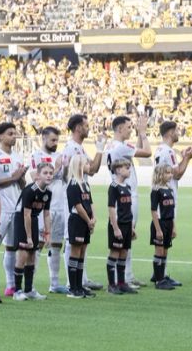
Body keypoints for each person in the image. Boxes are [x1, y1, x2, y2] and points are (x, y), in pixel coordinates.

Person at [61, 114, 106, 292]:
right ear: (78, 128)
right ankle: (71, 282)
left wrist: (100, 149)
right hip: (72, 198)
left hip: (82, 193)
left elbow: (92, 169)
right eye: (86, 125)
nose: (88, 128)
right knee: (72, 240)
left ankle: (81, 280)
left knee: (82, 241)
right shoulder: (71, 148)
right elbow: (67, 174)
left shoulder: (79, 148)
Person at [108, 112, 153, 288]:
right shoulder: (120, 147)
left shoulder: (118, 146)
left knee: (128, 235)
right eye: (128, 127)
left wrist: (140, 136)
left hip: (126, 192)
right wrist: (143, 133)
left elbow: (138, 151)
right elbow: (147, 152)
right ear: (119, 128)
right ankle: (123, 277)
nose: (131, 129)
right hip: (126, 195)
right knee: (126, 235)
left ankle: (127, 274)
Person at [30, 126, 68, 294]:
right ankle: (29, 284)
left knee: (56, 245)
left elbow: (65, 179)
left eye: (57, 140)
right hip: (44, 206)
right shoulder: (36, 156)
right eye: (52, 140)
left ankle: (54, 283)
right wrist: (57, 167)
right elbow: (35, 177)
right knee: (38, 244)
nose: (55, 143)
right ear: (43, 138)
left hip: (60, 205)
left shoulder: (59, 156)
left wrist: (64, 169)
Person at [0, 122, 28, 297]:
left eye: (15, 133)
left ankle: (11, 285)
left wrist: (21, 177)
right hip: (1, 207)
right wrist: (13, 177)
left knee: (12, 247)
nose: (14, 136)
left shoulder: (18, 157)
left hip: (17, 207)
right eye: (10, 133)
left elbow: (22, 184)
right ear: (0, 136)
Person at [12, 161, 53, 301]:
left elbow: (46, 214)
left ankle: (29, 290)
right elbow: (26, 214)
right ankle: (17, 291)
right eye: (45, 173)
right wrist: (28, 237)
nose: (49, 176)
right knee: (23, 255)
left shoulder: (48, 193)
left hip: (33, 220)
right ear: (37, 176)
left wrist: (48, 234)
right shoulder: (30, 190)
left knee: (32, 256)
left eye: (51, 173)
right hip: (21, 220)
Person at [65, 154, 96, 297]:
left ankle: (79, 286)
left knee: (82, 253)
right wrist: (88, 220)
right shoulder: (73, 184)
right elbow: (78, 206)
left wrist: (93, 218)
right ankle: (73, 288)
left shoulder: (85, 183)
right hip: (77, 221)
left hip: (86, 222)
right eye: (87, 164)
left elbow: (90, 203)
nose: (89, 166)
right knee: (75, 252)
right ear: (79, 165)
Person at [106, 158, 137, 295]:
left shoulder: (127, 187)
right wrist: (116, 228)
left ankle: (121, 283)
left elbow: (128, 209)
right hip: (117, 226)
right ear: (118, 170)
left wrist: (131, 227)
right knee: (115, 253)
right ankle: (111, 284)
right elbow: (112, 209)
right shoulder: (113, 187)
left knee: (124, 253)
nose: (129, 170)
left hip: (126, 225)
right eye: (126, 167)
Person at [154, 121, 192, 212]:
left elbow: (174, 170)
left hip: (160, 193)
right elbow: (177, 175)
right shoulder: (169, 151)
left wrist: (185, 158)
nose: (178, 133)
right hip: (167, 195)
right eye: (177, 130)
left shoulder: (160, 149)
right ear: (171, 132)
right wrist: (187, 158)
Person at [150, 163, 178, 290]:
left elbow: (171, 211)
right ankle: (158, 280)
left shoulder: (169, 189)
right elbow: (154, 211)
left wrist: (173, 227)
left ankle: (162, 276)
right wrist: (158, 229)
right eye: (167, 173)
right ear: (160, 174)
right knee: (159, 251)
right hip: (160, 224)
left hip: (168, 223)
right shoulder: (156, 190)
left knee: (165, 251)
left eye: (171, 172)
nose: (170, 175)